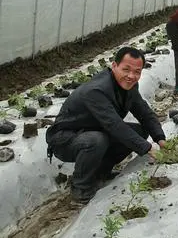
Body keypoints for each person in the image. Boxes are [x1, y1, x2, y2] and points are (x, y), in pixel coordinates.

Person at [45, 47, 166, 203]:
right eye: (126, 69)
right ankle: (81, 188)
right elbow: (114, 125)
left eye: (137, 71)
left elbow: (145, 113)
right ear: (114, 66)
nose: (131, 76)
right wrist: (149, 149)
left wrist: (161, 139)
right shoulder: (96, 90)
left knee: (139, 132)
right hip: (65, 139)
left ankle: (101, 172)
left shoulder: (129, 86)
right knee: (97, 140)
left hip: (94, 131)